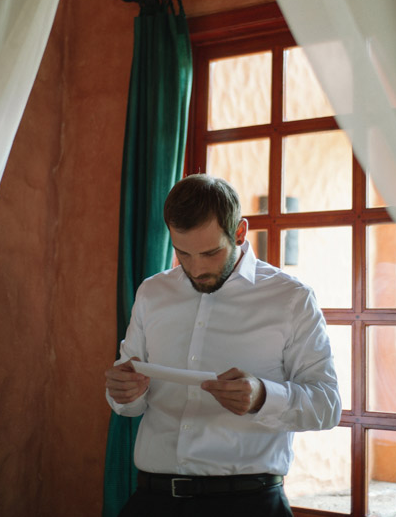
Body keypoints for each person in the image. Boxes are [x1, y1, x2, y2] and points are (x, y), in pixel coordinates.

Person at [105, 174, 341, 516]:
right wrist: (122, 391)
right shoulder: (152, 294)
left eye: (210, 253)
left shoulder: (291, 298)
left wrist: (262, 396)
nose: (196, 269)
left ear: (240, 233)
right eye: (182, 253)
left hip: (248, 504)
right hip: (152, 500)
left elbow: (327, 404)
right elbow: (129, 401)